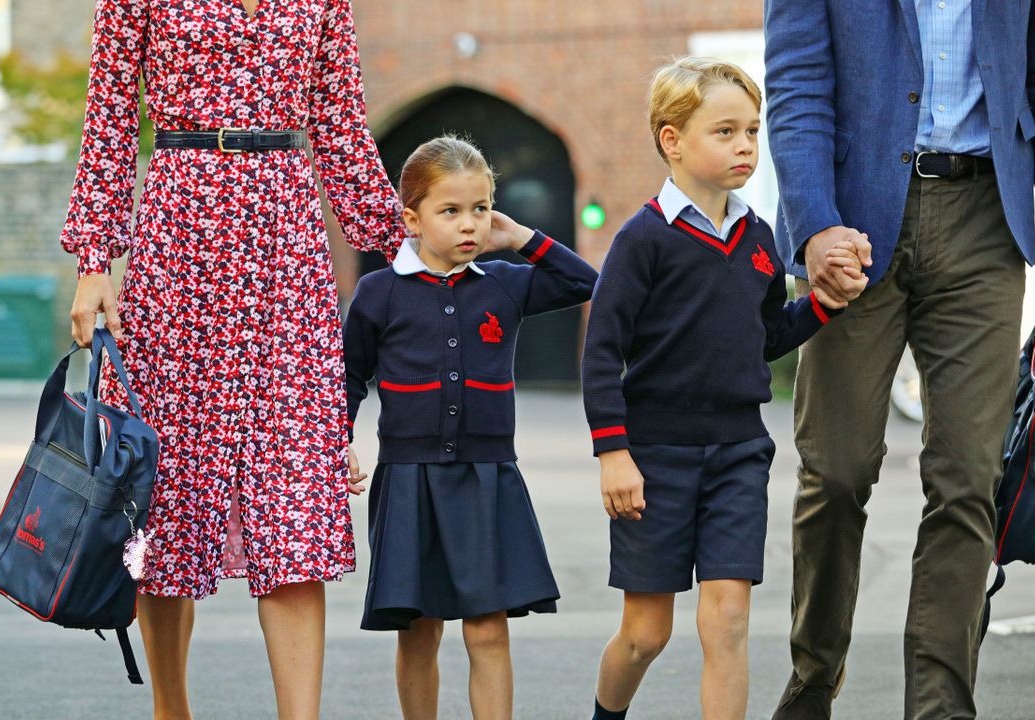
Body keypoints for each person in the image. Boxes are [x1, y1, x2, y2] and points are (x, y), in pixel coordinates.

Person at [61, 0, 406, 717]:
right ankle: (171, 707)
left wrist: (411, 249)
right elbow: (111, 119)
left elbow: (340, 127)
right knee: (165, 488)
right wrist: (96, 261)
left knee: (293, 491)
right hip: (178, 234)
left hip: (285, 239)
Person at [762, 1, 1035, 718]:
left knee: (968, 478)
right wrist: (814, 225)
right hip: (854, 220)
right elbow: (797, 86)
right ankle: (813, 681)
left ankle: (941, 706)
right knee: (837, 470)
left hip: (985, 221)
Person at [581, 58, 867, 720]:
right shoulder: (642, 239)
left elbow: (765, 336)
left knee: (728, 620)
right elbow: (601, 355)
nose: (745, 145)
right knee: (646, 634)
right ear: (672, 140)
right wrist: (612, 452)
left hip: (738, 453)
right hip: (653, 459)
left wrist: (821, 304)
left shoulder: (760, 239)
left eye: (753, 131)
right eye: (726, 131)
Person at [343, 136, 598, 720]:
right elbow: (350, 376)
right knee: (420, 630)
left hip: (488, 478)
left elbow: (587, 284)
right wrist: (339, 443)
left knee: (487, 630)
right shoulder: (379, 291)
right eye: (450, 211)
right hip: (408, 479)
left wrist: (522, 239)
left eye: (480, 209)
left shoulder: (504, 282)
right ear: (411, 218)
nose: (469, 224)